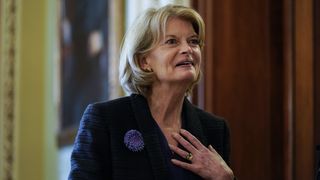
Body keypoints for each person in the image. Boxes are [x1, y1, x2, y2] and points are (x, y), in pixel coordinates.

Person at [69, 4, 235, 180]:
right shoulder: (106, 120)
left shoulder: (214, 129)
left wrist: (225, 178)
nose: (188, 49)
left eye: (193, 41)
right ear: (143, 62)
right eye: (172, 41)